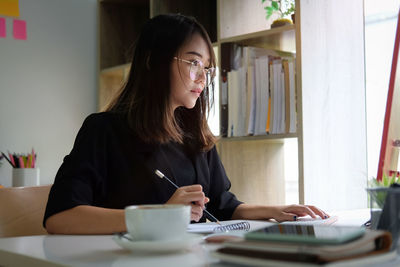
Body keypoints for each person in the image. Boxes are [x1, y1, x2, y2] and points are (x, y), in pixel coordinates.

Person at [44, 14, 328, 235]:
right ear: (154, 62)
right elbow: (60, 217)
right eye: (193, 63)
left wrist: (279, 210)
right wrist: (159, 216)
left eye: (207, 68)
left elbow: (222, 205)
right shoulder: (103, 130)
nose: (203, 79)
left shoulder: (195, 138)